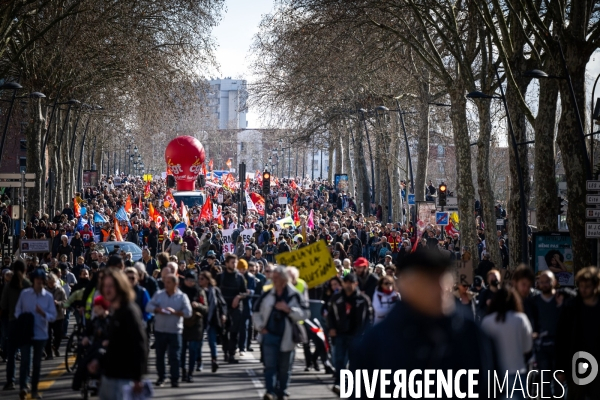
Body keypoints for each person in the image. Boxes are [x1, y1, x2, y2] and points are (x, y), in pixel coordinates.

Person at [352, 250, 496, 399]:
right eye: (431, 281)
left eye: (444, 279)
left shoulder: (469, 332)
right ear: (408, 286)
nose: (440, 288)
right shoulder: (375, 343)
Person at [252, 265, 309, 400]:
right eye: (273, 277)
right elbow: (256, 312)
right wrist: (261, 327)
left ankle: (282, 391)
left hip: (287, 337)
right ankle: (270, 391)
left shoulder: (294, 295)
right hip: (269, 336)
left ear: (284, 279)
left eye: (277, 278)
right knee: (270, 366)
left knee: (284, 368)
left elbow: (305, 313)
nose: (274, 280)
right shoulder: (267, 294)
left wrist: (289, 310)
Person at [95, 268, 148, 400]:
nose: (107, 290)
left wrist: (137, 378)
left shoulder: (129, 311)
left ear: (120, 287)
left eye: (111, 286)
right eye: (105, 286)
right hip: (109, 376)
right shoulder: (114, 310)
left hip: (124, 379)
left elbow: (140, 344)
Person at [556, 266, 600, 399]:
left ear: (595, 285)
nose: (584, 289)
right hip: (576, 363)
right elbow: (562, 339)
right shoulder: (571, 307)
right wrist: (561, 369)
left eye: (587, 286)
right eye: (581, 286)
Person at [481, 286, 532, 400]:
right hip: (517, 372)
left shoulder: (487, 321)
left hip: (494, 376)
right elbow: (528, 347)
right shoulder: (521, 319)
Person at [14, 268, 57, 400]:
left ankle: (34, 390)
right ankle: (23, 387)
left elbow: (53, 316)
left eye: (41, 280)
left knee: (37, 364)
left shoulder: (48, 297)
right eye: (37, 279)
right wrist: (23, 319)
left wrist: (43, 314)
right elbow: (17, 311)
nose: (39, 282)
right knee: (25, 360)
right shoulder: (25, 294)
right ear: (33, 280)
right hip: (27, 333)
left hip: (41, 334)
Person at [328, 273, 372, 394]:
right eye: (346, 283)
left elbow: (369, 318)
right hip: (340, 333)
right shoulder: (336, 298)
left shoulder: (363, 300)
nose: (348, 285)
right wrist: (331, 328)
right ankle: (339, 383)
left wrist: (366, 333)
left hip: (357, 335)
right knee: (339, 360)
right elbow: (330, 314)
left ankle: (352, 385)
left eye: (351, 283)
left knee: (354, 361)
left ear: (356, 284)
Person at [146, 273, 192, 387]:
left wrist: (175, 312)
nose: (165, 284)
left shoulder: (182, 297)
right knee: (160, 355)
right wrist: (158, 309)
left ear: (175, 284)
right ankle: (162, 377)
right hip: (160, 330)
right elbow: (148, 307)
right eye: (165, 282)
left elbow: (188, 313)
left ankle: (174, 378)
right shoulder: (159, 294)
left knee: (174, 356)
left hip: (175, 331)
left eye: (168, 282)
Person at [1, 260, 31, 391]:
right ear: (25, 270)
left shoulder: (8, 285)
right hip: (26, 322)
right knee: (26, 355)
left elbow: (3, 305)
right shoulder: (28, 284)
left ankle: (10, 381)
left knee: (11, 354)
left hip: (12, 321)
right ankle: (24, 382)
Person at [217, 254, 247, 364]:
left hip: (236, 307)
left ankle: (232, 354)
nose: (234, 265)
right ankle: (225, 351)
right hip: (223, 307)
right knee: (224, 332)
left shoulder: (239, 277)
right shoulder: (221, 277)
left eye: (235, 262)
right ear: (226, 263)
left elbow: (244, 292)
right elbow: (215, 291)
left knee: (234, 332)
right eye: (232, 262)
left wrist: (239, 297)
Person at [179, 270, 208, 381]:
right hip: (182, 324)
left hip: (196, 324)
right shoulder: (180, 292)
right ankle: (183, 371)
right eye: (187, 280)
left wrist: (197, 306)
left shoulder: (199, 292)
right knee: (181, 351)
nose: (189, 282)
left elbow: (206, 308)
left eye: (192, 280)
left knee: (193, 350)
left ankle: (190, 373)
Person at [198, 271, 227, 373]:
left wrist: (223, 314)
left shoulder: (214, 290)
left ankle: (214, 361)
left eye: (202, 279)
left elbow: (222, 303)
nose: (200, 281)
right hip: (200, 319)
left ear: (207, 280)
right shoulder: (198, 290)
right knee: (199, 342)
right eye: (199, 279)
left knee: (212, 341)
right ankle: (199, 362)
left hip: (212, 318)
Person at [44, 273, 67, 360]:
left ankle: (55, 347)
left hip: (58, 316)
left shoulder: (60, 290)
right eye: (49, 282)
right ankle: (49, 353)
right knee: (48, 336)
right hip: (47, 316)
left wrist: (58, 303)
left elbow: (65, 302)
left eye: (52, 282)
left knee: (58, 334)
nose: (51, 284)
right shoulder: (44, 291)